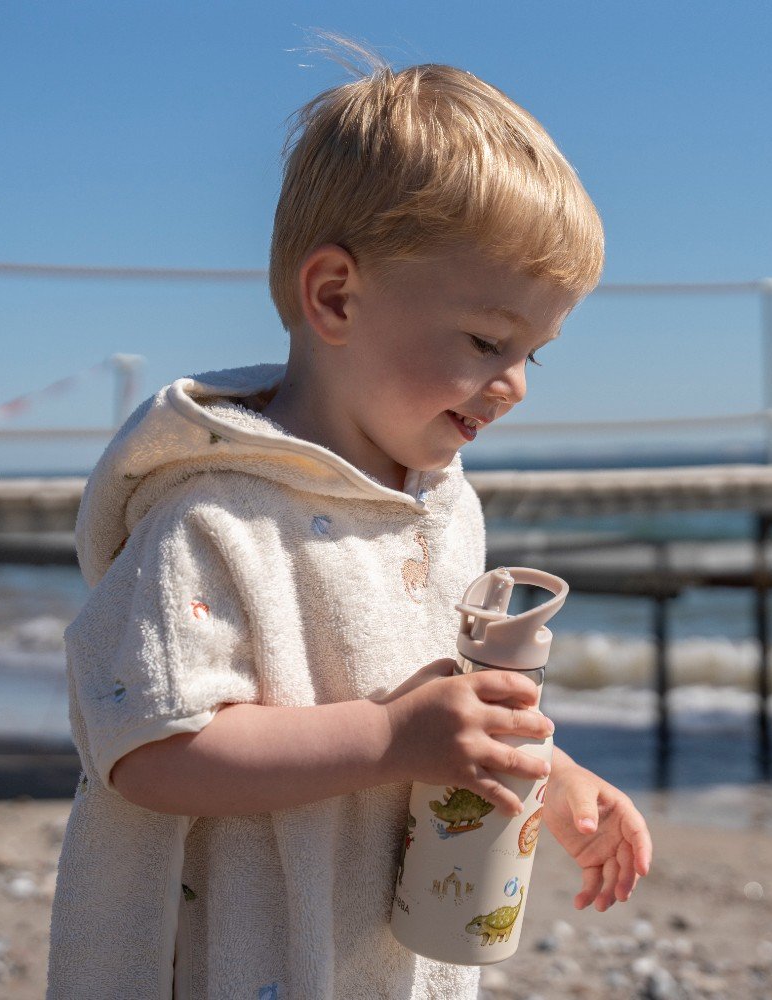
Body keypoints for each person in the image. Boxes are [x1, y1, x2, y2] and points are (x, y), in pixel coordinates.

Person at [48, 42, 652, 1000]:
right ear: (334, 297)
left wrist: (552, 773)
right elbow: (149, 750)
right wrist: (385, 739)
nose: (514, 385)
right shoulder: (214, 514)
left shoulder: (441, 507)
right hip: (243, 957)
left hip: (383, 949)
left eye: (535, 354)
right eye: (488, 341)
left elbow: (444, 702)